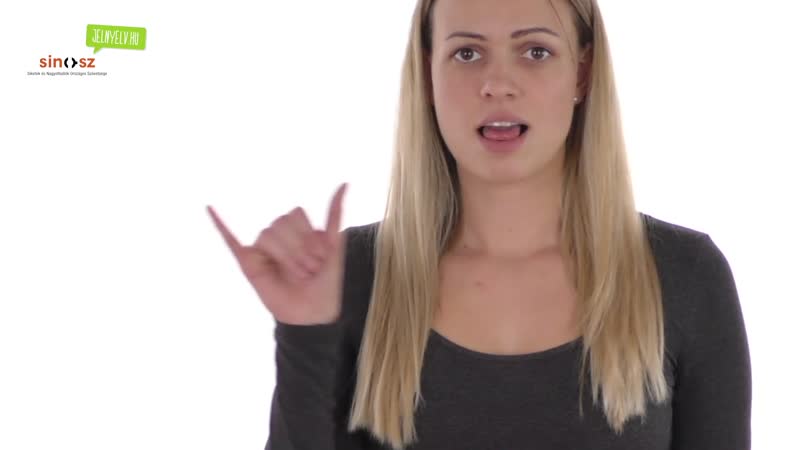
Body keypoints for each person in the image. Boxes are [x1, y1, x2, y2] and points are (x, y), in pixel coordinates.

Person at [207, 0, 752, 448]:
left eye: (535, 51)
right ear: (428, 74)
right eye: (467, 53)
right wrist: (304, 332)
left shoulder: (683, 275)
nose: (497, 84)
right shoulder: (349, 276)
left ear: (583, 72)